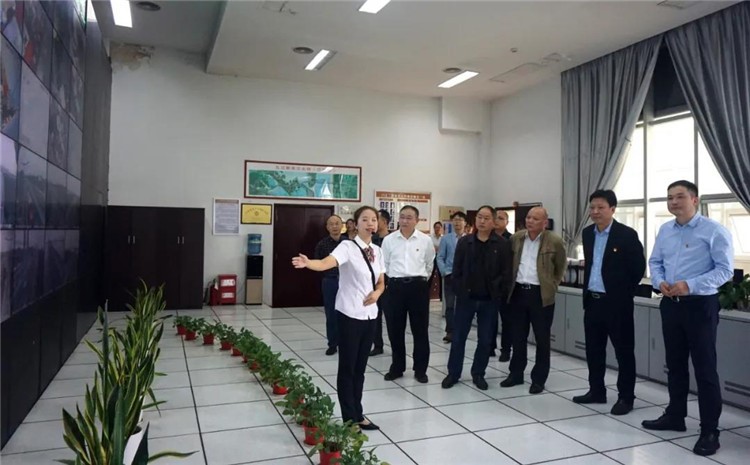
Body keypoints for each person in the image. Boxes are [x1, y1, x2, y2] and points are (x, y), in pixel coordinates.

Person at [642, 180, 733, 457]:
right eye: (669, 197)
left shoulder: (714, 230)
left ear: (695, 199)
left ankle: (710, 430)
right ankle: (675, 415)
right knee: (675, 364)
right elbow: (655, 262)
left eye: (679, 196)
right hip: (671, 305)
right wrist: (659, 281)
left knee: (705, 368)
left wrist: (689, 285)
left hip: (700, 306)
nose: (673, 202)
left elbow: (725, 270)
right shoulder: (665, 230)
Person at [292, 206, 385, 431]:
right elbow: (326, 263)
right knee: (348, 368)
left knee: (360, 369)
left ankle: (358, 413)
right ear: (355, 223)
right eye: (365, 219)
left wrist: (377, 293)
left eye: (373, 219)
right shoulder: (347, 247)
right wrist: (309, 263)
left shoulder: (377, 251)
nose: (370, 223)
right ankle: (349, 418)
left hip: (370, 315)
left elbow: (381, 281)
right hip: (350, 314)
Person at [572, 190, 645, 415]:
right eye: (592, 207)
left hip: (617, 304)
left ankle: (626, 397)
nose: (595, 212)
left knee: (624, 352)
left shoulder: (626, 235)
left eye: (600, 207)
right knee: (594, 350)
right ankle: (597, 391)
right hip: (593, 302)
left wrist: (623, 293)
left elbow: (638, 268)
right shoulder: (588, 233)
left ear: (612, 209)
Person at [441, 206, 512, 391]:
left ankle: (478, 373)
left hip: (489, 300)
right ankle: (453, 373)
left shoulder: (502, 244)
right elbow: (456, 269)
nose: (482, 221)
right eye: (479, 217)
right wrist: (459, 289)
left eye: (486, 218)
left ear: (493, 222)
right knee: (458, 338)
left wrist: (498, 291)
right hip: (466, 299)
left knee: (485, 339)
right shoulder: (465, 242)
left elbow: (506, 273)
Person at [501, 206, 567, 394]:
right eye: (529, 217)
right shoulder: (516, 238)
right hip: (518, 292)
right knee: (517, 336)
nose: (530, 221)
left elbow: (560, 267)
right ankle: (516, 373)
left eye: (535, 219)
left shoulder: (554, 241)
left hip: (541, 295)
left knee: (542, 339)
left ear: (545, 222)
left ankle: (538, 379)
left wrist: (552, 285)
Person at [381, 205, 435, 383]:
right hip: (395, 288)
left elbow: (429, 264)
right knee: (395, 330)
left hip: (418, 288)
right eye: (402, 217)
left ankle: (420, 370)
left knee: (420, 330)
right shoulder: (389, 240)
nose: (404, 221)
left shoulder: (425, 240)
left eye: (409, 217)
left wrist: (419, 281)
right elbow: (385, 264)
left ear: (416, 221)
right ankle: (397, 367)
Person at [313, 215, 345, 356]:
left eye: (337, 223)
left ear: (342, 225)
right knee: (331, 313)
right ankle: (332, 344)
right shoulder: (322, 244)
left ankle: (347, 342)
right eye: (331, 224)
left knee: (347, 313)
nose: (334, 226)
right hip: (330, 281)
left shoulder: (349, 243)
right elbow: (317, 263)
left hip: (347, 282)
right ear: (327, 227)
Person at [436, 211, 467, 343]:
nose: (457, 222)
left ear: (465, 223)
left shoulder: (470, 239)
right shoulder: (446, 239)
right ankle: (450, 331)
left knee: (463, 305)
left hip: (465, 277)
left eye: (460, 220)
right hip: (450, 275)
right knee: (450, 305)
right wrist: (444, 271)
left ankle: (461, 330)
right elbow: (440, 257)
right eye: (455, 220)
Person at [369, 209, 392, 356]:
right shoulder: (372, 239)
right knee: (375, 316)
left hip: (390, 284)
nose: (373, 223)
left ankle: (395, 345)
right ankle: (377, 345)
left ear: (384, 221)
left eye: (376, 220)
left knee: (391, 317)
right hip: (374, 283)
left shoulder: (393, 239)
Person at [493, 208, 513, 361]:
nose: (497, 221)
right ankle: (489, 347)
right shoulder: (488, 237)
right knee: (490, 320)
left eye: (501, 218)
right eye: (496, 218)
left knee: (507, 321)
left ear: (507, 222)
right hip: (489, 287)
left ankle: (506, 350)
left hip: (505, 287)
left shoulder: (512, 239)